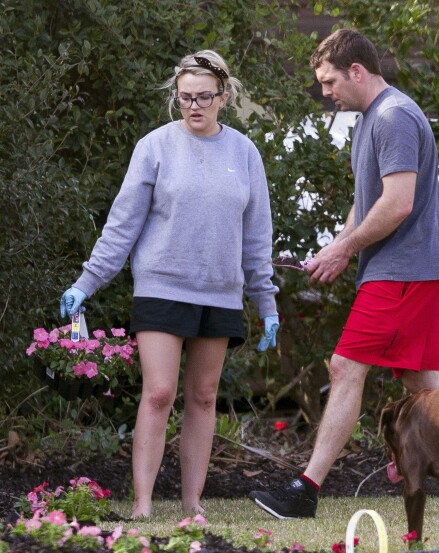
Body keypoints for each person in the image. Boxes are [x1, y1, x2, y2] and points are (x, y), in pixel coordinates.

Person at [249, 28, 439, 519]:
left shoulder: (394, 117)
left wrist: (346, 247)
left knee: (345, 368)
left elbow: (398, 203)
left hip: (403, 269)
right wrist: (340, 248)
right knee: (423, 383)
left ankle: (306, 490)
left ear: (357, 72)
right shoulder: (369, 120)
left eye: (329, 82)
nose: (325, 92)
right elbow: (367, 200)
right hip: (402, 268)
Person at [60, 50, 279, 518]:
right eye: (184, 98)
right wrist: (87, 282)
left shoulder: (244, 153)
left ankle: (192, 503)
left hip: (219, 293)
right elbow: (122, 225)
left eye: (204, 97)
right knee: (158, 393)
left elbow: (257, 237)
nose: (194, 106)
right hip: (160, 288)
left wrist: (267, 303)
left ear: (224, 95)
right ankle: (142, 504)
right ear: (174, 98)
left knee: (202, 398)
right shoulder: (154, 147)